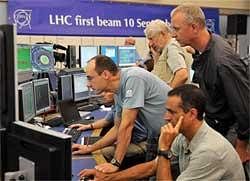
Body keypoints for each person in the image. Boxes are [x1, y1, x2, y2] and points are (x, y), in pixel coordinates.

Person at [79, 84, 245, 181]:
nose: (165, 117)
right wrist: (107, 178)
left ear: (192, 114)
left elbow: (161, 162)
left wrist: (164, 149)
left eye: (171, 112)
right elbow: (153, 167)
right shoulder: (184, 136)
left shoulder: (209, 152)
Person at [170, 5, 250, 169]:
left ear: (194, 28)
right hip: (215, 119)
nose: (173, 34)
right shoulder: (204, 49)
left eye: (177, 29)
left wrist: (241, 146)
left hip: (233, 127)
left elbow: (244, 108)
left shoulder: (222, 61)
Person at [85, 55, 171, 173]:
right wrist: (90, 148)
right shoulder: (117, 90)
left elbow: (127, 126)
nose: (88, 84)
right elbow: (117, 128)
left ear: (105, 74)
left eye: (90, 78)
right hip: (156, 136)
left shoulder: (133, 78)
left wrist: (116, 163)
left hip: (173, 138)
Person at [71, 91, 148, 168]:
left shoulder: (125, 107)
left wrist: (89, 148)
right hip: (131, 140)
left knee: (103, 152)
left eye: (106, 92)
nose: (102, 94)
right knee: (99, 146)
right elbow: (106, 121)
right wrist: (88, 126)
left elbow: (117, 131)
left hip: (141, 143)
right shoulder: (116, 105)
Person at [144, 19, 190, 88]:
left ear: (162, 34)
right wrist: (156, 57)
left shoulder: (171, 47)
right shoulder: (164, 49)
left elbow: (182, 75)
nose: (150, 43)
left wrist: (168, 95)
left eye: (151, 39)